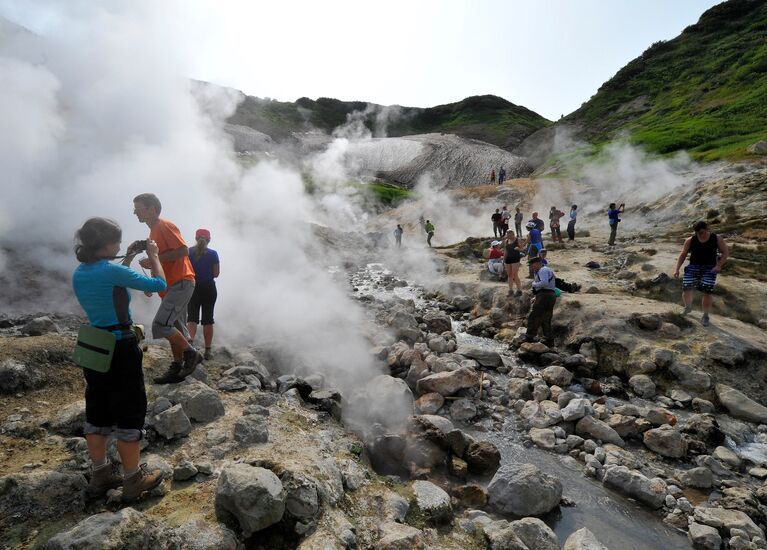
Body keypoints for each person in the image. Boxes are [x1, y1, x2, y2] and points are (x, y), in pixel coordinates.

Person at [72, 218, 167, 501]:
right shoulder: (110, 271)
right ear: (107, 244)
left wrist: (127, 257)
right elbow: (158, 282)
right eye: (117, 241)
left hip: (94, 345)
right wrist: (154, 256)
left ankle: (101, 473)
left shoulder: (81, 271)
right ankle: (133, 479)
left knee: (97, 408)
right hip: (121, 347)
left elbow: (112, 279)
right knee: (130, 410)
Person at [132, 193, 202, 384]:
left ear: (152, 209)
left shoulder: (164, 226)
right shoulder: (153, 232)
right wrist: (152, 284)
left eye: (139, 209)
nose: (135, 213)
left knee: (161, 325)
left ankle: (191, 354)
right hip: (172, 286)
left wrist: (154, 259)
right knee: (175, 327)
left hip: (181, 282)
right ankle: (177, 367)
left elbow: (183, 250)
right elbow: (160, 263)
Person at [673, 220, 730, 327]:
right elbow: (683, 254)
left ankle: (705, 315)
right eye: (698, 233)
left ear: (707, 229)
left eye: (702, 232)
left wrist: (719, 265)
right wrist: (677, 269)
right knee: (686, 288)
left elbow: (725, 252)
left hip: (710, 267)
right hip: (693, 266)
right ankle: (688, 307)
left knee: (707, 292)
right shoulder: (690, 240)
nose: (700, 234)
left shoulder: (716, 238)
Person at [187, 229, 220, 360]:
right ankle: (207, 351)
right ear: (209, 240)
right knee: (208, 319)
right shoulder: (213, 254)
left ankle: (189, 348)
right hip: (208, 288)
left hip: (193, 287)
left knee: (192, 319)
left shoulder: (188, 252)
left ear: (195, 238)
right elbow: (216, 273)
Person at [525, 256, 557, 346]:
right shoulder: (544, 270)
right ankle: (549, 339)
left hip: (545, 295)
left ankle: (529, 337)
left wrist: (534, 284)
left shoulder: (543, 270)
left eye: (532, 265)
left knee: (534, 316)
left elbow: (544, 283)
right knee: (546, 318)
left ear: (538, 263)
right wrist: (536, 296)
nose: (531, 267)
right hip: (550, 295)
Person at [504, 230, 526, 296]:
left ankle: (519, 290)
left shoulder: (518, 240)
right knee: (509, 275)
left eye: (510, 235)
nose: (509, 237)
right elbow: (505, 251)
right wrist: (503, 259)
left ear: (513, 234)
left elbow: (522, 249)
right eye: (508, 235)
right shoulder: (506, 241)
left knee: (515, 274)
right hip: (508, 259)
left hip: (515, 259)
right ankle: (510, 290)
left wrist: (518, 249)